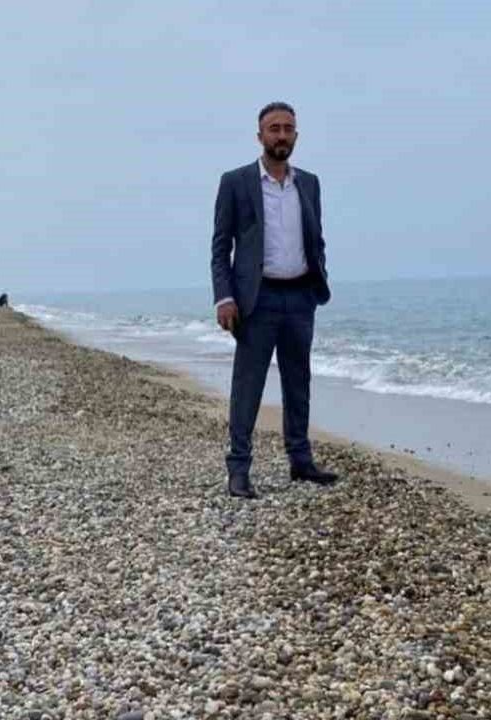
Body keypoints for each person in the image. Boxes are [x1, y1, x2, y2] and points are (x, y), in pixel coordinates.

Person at [210, 101, 337, 499]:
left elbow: (316, 239)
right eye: (274, 128)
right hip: (257, 299)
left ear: (296, 134)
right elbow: (221, 247)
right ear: (260, 136)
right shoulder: (236, 182)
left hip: (300, 297)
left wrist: (318, 279)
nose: (282, 135)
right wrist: (224, 297)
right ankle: (238, 469)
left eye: (288, 128)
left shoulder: (309, 183)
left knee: (298, 382)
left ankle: (300, 461)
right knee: (247, 386)